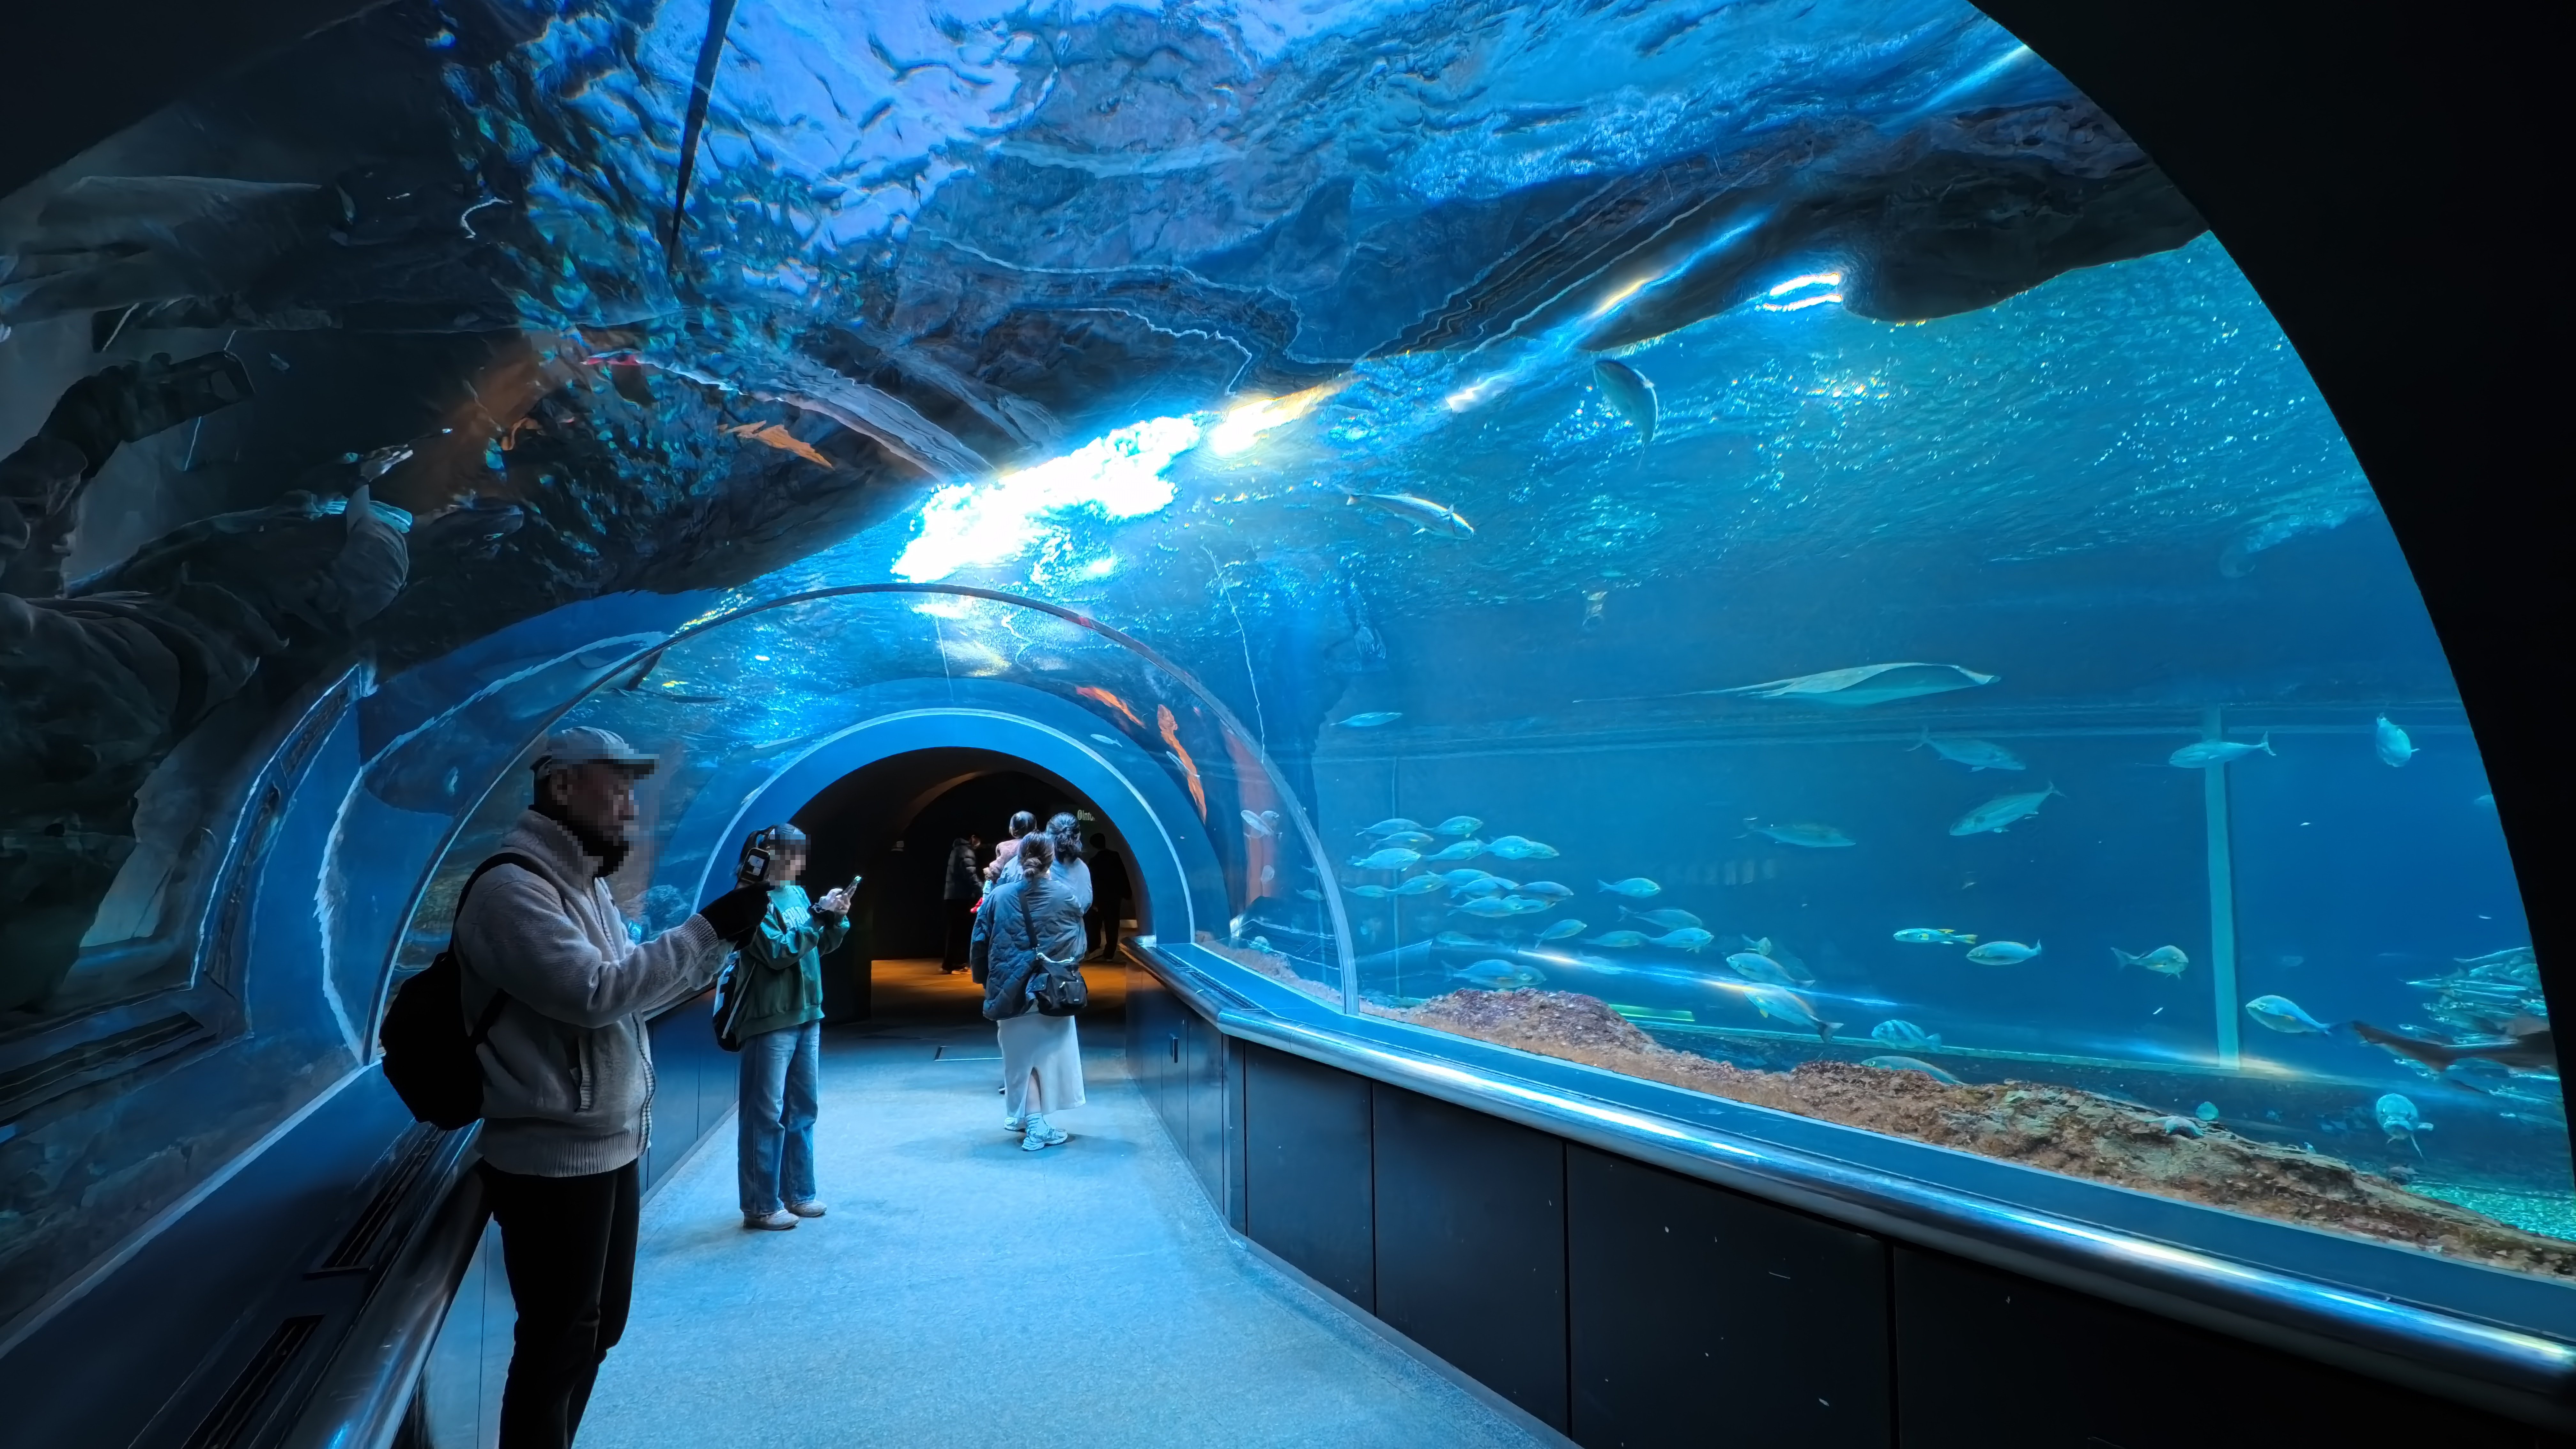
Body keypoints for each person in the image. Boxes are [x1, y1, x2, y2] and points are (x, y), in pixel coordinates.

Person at [454, 726, 768, 1449]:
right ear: (562, 786)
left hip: (609, 1141)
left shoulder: (586, 884)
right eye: (618, 786)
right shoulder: (512, 889)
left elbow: (627, 996)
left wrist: (715, 947)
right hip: (552, 1156)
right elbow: (593, 993)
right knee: (559, 1340)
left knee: (597, 1329)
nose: (631, 807)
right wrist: (704, 930)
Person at [731, 824, 850, 1230]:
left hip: (807, 1014)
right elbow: (777, 953)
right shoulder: (749, 900)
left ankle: (799, 1193)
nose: (799, 865)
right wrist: (817, 918)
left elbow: (820, 944)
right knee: (765, 1113)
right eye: (793, 856)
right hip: (770, 1019)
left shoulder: (796, 894)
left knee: (803, 1109)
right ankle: (761, 1204)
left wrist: (834, 920)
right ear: (771, 856)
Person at [970, 832, 1087, 1151]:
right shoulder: (1066, 897)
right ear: (1052, 860)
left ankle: (1030, 1120)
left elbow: (979, 942)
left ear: (1020, 859)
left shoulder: (998, 896)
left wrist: (984, 979)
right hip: (1052, 990)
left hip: (1009, 990)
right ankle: (1035, 1124)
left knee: (1021, 1059)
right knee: (1046, 1058)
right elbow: (1080, 946)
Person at [940, 832, 982, 973]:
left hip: (953, 896)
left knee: (955, 931)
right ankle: (954, 964)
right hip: (960, 897)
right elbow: (970, 874)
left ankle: (952, 963)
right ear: (972, 837)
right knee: (961, 931)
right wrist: (983, 889)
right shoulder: (966, 851)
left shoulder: (957, 849)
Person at [1086, 833, 1132, 962]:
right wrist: (1127, 893)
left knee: (1095, 925)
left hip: (1100, 898)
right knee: (1112, 925)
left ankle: (1095, 948)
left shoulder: (1094, 861)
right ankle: (1110, 952)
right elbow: (1123, 875)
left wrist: (1093, 900)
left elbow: (1093, 882)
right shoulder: (1115, 857)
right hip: (1114, 897)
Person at [1046, 812, 1092, 916]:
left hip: (1047, 929)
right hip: (1075, 929)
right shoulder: (1083, 868)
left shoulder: (1042, 865)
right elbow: (1086, 904)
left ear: (1050, 834)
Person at [983, 809, 1038, 886]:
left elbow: (996, 871)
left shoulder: (1005, 847)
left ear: (1013, 829)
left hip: (1011, 888)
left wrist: (989, 872)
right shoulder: (1041, 844)